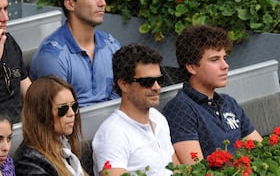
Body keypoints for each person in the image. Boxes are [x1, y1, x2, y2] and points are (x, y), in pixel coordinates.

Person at [162, 25, 263, 165]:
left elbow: (260, 151)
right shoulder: (180, 108)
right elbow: (195, 169)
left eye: (224, 58)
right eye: (214, 60)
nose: (225, 66)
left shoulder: (229, 103)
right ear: (191, 67)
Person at [29, 0, 121, 107]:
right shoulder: (52, 56)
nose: (102, 3)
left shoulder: (112, 45)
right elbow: (57, 115)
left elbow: (123, 96)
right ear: (70, 4)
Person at [92, 43, 179, 176]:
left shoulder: (158, 118)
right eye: (147, 81)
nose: (156, 87)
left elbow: (177, 169)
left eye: (160, 80)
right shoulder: (112, 134)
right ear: (124, 84)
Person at [13, 76, 89, 176]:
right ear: (42, 113)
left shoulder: (69, 146)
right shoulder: (28, 161)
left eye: (74, 106)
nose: (72, 113)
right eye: (63, 109)